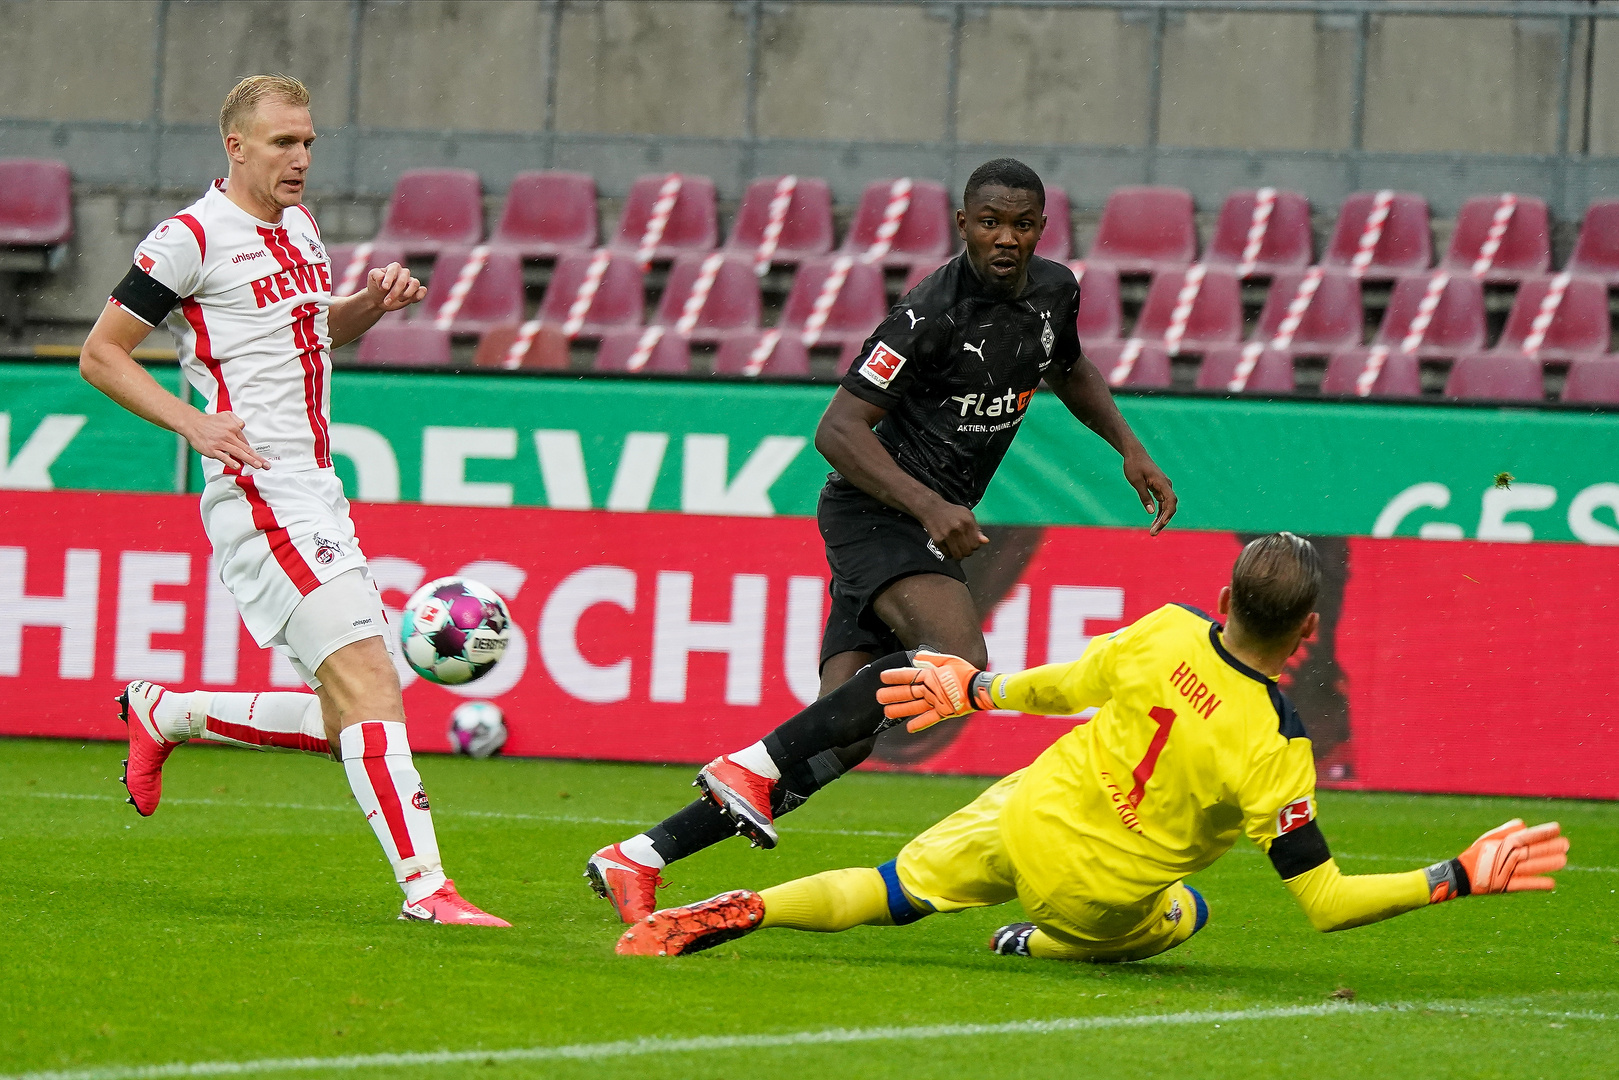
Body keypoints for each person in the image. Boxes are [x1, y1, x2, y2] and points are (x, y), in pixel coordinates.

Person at [588, 158, 1178, 922]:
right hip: (877, 514)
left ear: (1041, 227)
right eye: (990, 223)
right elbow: (835, 430)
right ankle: (744, 765)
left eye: (1022, 224)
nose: (1006, 238)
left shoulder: (1054, 291)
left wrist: (1128, 448)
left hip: (919, 518)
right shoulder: (925, 313)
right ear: (962, 224)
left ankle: (637, 857)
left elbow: (1067, 367)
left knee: (840, 734)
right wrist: (932, 508)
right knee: (956, 662)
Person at [617, 533, 1569, 958]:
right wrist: (1453, 874)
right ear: (1311, 631)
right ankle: (1042, 946)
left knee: (891, 889)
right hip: (1099, 892)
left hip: (1027, 808)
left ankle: (746, 907)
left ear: (1227, 601)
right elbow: (1324, 903)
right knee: (1189, 911)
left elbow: (1058, 687)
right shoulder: (1278, 747)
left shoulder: (1164, 629)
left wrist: (973, 689)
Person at [78, 74, 506, 927]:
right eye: (282, 143)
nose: (301, 158)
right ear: (235, 147)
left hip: (317, 489)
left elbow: (319, 332)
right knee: (374, 691)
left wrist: (370, 306)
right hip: (259, 494)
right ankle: (429, 891)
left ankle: (172, 712)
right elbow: (101, 354)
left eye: (308, 142)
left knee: (350, 711)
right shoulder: (188, 240)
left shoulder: (301, 228)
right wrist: (194, 424)